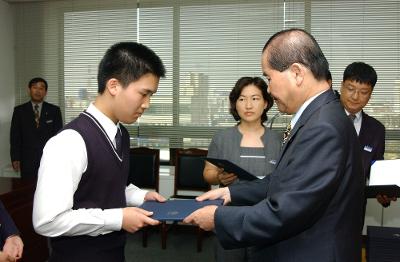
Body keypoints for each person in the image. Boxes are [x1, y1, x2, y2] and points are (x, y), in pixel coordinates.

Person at [184, 28, 364, 261]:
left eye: (269, 77)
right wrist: (231, 192)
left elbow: (286, 212)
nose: (268, 89)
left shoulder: (323, 127)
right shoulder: (320, 116)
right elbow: (285, 180)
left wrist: (218, 218)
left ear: (297, 73)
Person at [32, 42, 167, 261]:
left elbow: (105, 187)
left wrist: (141, 196)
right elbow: (47, 221)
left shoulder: (120, 133)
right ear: (113, 85)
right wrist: (118, 219)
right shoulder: (70, 142)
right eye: (144, 94)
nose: (147, 104)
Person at [203, 76, 281, 261]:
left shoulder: (279, 140)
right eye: (242, 99)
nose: (248, 105)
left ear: (266, 103)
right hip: (229, 216)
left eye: (255, 98)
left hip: (266, 218)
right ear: (235, 104)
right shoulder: (221, 138)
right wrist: (219, 177)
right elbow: (208, 174)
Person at [339, 62, 393, 207]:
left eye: (363, 92)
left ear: (370, 94)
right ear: (341, 86)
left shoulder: (376, 130)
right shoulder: (321, 117)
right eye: (350, 89)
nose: (355, 96)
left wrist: (385, 192)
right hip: (318, 212)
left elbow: (375, 171)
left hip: (354, 211)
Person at [10, 77, 63, 180]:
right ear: (29, 90)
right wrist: (15, 157)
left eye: (41, 88)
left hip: (48, 159)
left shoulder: (54, 110)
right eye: (35, 87)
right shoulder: (19, 111)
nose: (38, 91)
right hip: (27, 160)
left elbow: (58, 137)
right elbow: (15, 136)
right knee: (27, 190)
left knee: (47, 189)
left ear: (45, 92)